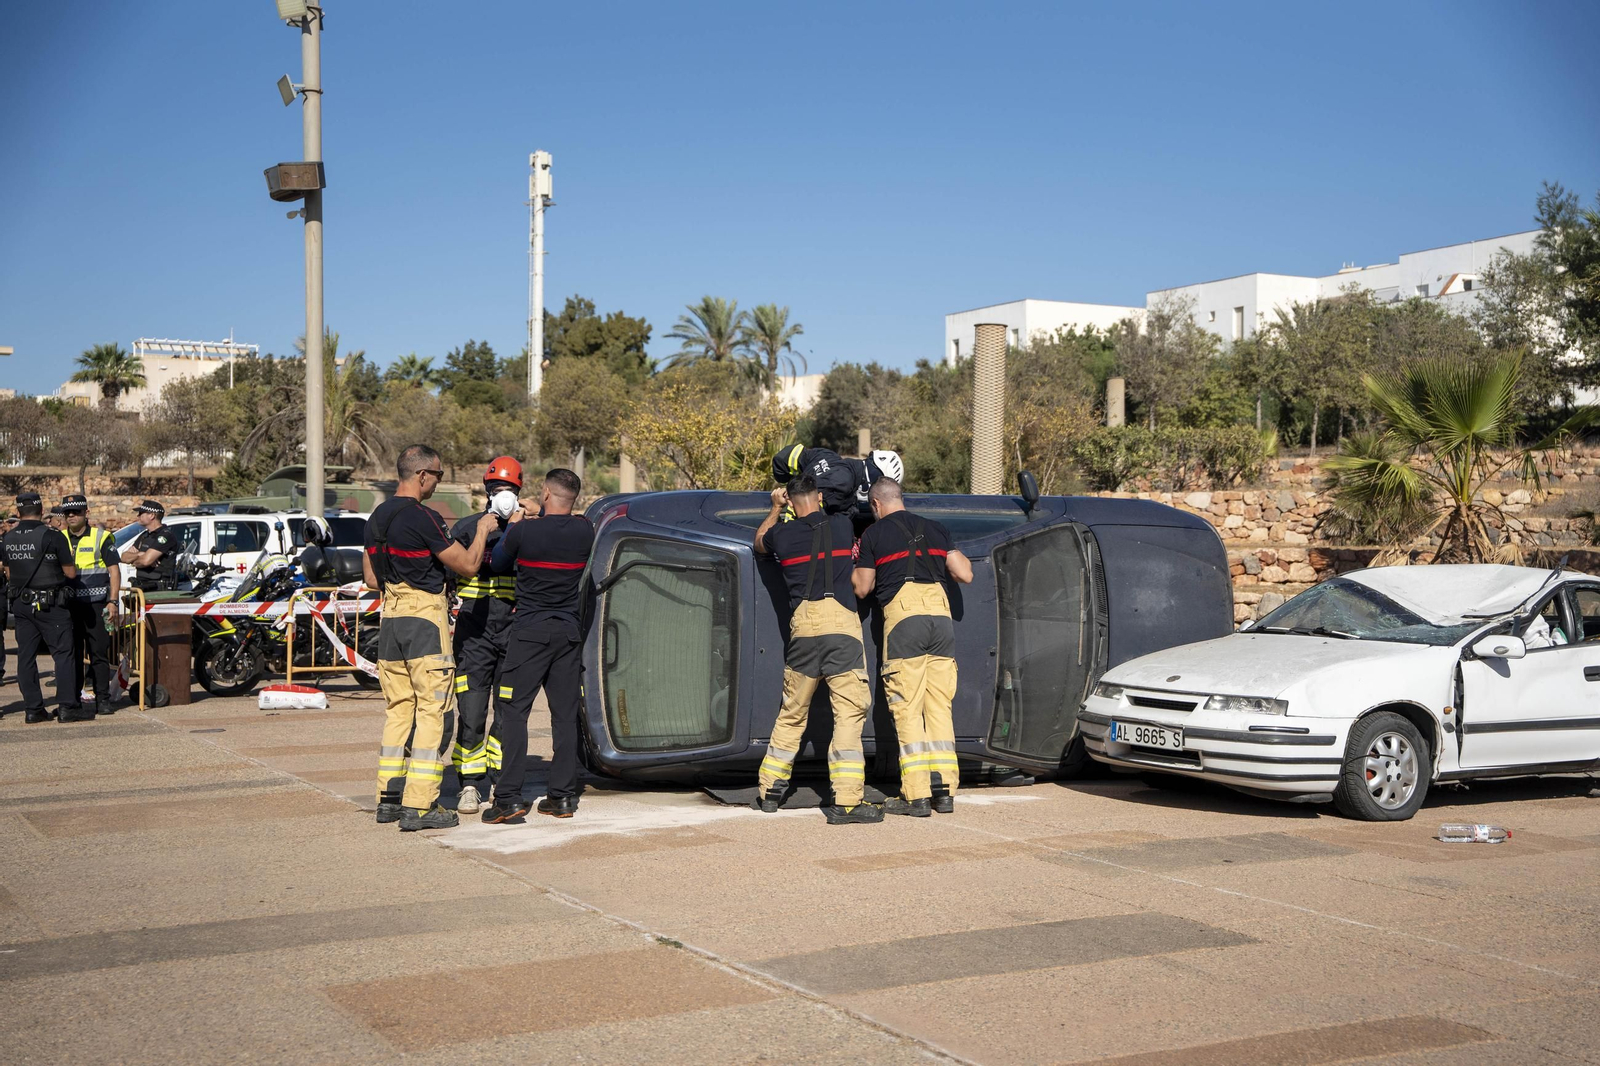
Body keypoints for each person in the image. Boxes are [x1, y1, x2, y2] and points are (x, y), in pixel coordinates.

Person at [363, 445, 499, 832]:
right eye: (438, 475)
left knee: (398, 710)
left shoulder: (377, 517)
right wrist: (485, 530)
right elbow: (469, 566)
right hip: (424, 619)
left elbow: (371, 579)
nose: (438, 482)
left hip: (390, 619)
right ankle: (420, 806)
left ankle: (388, 799)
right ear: (422, 475)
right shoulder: (424, 517)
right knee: (432, 712)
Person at [753, 475, 881, 824]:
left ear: (792, 502)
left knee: (792, 712)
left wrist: (775, 508)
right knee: (849, 713)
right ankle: (847, 801)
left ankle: (769, 792)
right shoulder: (841, 526)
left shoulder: (781, 534)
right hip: (841, 627)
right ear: (819, 496)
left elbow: (759, 542)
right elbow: (851, 508)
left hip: (803, 629)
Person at [853, 479, 974, 815]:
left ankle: (916, 796)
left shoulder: (874, 535)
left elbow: (863, 589)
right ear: (900, 499)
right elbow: (965, 573)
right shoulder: (936, 528)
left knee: (907, 708)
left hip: (905, 620)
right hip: (941, 619)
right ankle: (944, 791)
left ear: (875, 505)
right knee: (939, 707)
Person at [481, 468, 594, 823]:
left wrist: (516, 521)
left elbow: (496, 563)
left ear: (545, 493)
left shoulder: (524, 531)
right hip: (568, 633)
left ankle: (509, 798)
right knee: (564, 715)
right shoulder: (584, 530)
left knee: (514, 711)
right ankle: (561, 797)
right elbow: (566, 522)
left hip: (529, 633)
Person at [446, 456, 524, 814]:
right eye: (497, 490)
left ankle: (499, 778)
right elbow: (446, 577)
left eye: (510, 490)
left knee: (508, 711)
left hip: (513, 634)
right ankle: (469, 784)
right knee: (472, 711)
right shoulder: (465, 529)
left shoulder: (526, 530)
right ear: (487, 493)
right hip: (474, 634)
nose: (503, 495)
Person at [2, 494, 88, 723]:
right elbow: (70, 573)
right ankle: (68, 706)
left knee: (26, 656)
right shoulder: (52, 536)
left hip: (21, 604)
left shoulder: (7, 538)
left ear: (19, 512)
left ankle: (33, 709)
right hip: (51, 605)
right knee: (63, 654)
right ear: (41, 511)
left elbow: (9, 573)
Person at [61, 495, 121, 716]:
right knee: (72, 655)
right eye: (67, 512)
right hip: (68, 607)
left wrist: (113, 601)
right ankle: (73, 700)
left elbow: (114, 570)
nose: (71, 516)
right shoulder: (58, 538)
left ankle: (102, 700)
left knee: (99, 654)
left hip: (96, 606)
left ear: (86, 513)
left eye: (76, 511)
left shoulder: (101, 537)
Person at [771, 443, 904, 513]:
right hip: (796, 542)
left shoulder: (827, 455)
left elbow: (786, 456)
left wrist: (789, 482)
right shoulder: (842, 487)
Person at [120, 500, 177, 592]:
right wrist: (140, 554)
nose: (138, 516)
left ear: (152, 515)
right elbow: (123, 557)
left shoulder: (165, 536)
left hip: (158, 590)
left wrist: (134, 560)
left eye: (141, 513)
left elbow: (145, 561)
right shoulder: (144, 535)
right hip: (142, 587)